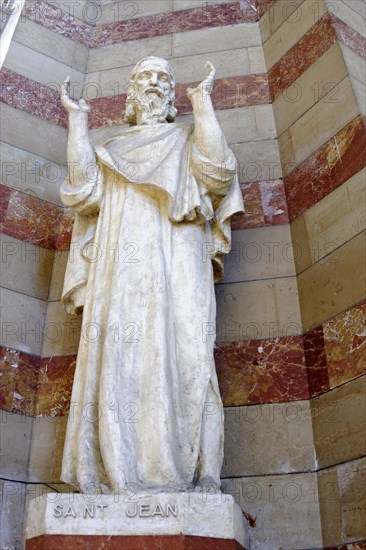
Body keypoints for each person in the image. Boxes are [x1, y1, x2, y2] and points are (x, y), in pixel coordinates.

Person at [60, 56, 243, 494]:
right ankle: (113, 471)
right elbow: (84, 192)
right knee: (119, 363)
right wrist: (78, 124)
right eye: (144, 75)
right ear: (131, 91)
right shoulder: (114, 149)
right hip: (120, 270)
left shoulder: (186, 139)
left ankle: (204, 476)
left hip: (180, 261)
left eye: (162, 77)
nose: (154, 83)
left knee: (190, 357)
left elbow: (218, 173)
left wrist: (202, 104)